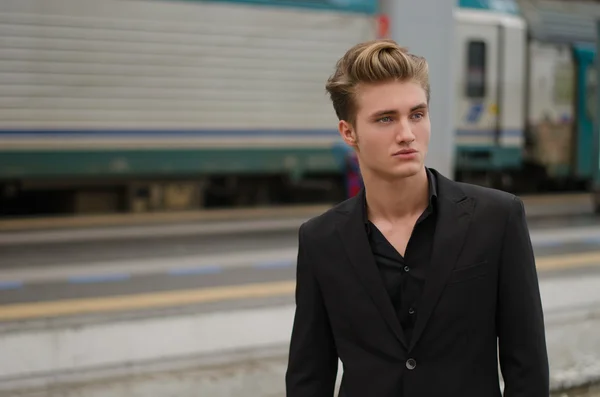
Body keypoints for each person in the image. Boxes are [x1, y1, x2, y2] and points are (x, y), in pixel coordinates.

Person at [285, 39, 549, 397]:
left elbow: (528, 370)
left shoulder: (497, 218)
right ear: (349, 133)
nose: (407, 134)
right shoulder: (320, 240)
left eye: (417, 114)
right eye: (385, 119)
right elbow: (308, 378)